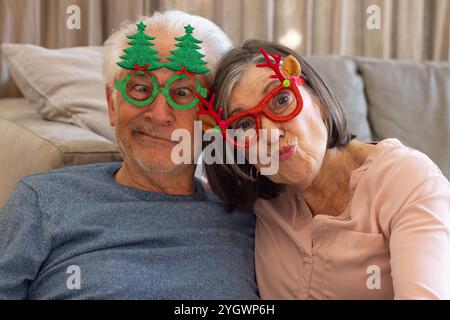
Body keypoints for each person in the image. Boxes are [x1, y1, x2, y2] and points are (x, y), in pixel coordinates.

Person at [0, 11, 258, 299]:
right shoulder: (42, 201)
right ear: (113, 105)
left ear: (215, 115)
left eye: (183, 93)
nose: (159, 115)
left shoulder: (251, 215)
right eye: (140, 89)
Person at [202, 39, 450, 299]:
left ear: (318, 99)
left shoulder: (409, 181)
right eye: (244, 126)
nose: (271, 135)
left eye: (281, 100)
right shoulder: (260, 202)